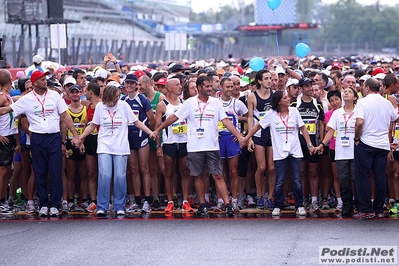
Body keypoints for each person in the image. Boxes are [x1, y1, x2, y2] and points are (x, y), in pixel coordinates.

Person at [153, 76, 244, 216]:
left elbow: (226, 121)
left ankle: (228, 204)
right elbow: (174, 117)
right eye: (207, 86)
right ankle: (202, 204)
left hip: (212, 145)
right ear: (200, 88)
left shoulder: (216, 103)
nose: (210, 89)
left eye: (210, 86)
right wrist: (158, 129)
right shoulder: (189, 103)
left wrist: (238, 136)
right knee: (198, 176)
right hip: (195, 146)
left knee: (218, 175)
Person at [0, 70, 81, 217]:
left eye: (46, 78)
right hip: (37, 138)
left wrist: (75, 135)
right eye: (43, 79)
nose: (46, 81)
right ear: (35, 82)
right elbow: (7, 109)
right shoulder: (27, 99)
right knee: (40, 171)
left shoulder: (55, 96)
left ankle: (55, 204)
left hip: (54, 137)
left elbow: (65, 116)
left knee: (56, 171)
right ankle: (43, 203)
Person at [79, 85, 154, 217]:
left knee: (120, 176)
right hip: (104, 145)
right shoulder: (100, 107)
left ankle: (119, 205)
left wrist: (150, 132)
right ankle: (102, 206)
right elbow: (92, 125)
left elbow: (136, 122)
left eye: (118, 96)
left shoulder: (124, 106)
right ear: (108, 97)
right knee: (105, 175)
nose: (117, 99)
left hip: (120, 146)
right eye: (115, 97)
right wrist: (80, 138)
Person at [242, 90, 314, 216]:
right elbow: (257, 126)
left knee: (296, 179)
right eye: (285, 97)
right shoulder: (271, 114)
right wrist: (247, 138)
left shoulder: (295, 111)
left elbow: (303, 128)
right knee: (280, 179)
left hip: (295, 150)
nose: (288, 99)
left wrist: (309, 144)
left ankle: (299, 205)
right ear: (279, 101)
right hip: (280, 151)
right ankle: (278, 205)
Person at [353, 77, 399, 219]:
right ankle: (378, 208)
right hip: (382, 144)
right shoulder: (386, 102)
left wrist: (356, 138)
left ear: (367, 88)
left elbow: (359, 122)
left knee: (363, 176)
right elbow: (394, 118)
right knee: (380, 176)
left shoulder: (362, 102)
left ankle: (366, 209)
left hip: (366, 143)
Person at [315, 87, 358, 217]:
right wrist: (322, 144)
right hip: (341, 151)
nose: (346, 93)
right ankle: (347, 205)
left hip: (357, 150)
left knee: (357, 179)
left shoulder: (360, 111)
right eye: (345, 92)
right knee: (343, 179)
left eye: (349, 92)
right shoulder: (337, 113)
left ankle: (360, 204)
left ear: (355, 97)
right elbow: (330, 131)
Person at [154, 78, 193, 213]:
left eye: (180, 84)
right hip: (169, 142)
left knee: (185, 171)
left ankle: (185, 201)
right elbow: (157, 126)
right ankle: (170, 201)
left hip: (184, 141)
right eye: (177, 85)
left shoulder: (185, 103)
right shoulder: (162, 105)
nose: (180, 87)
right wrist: (158, 145)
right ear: (169, 88)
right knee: (168, 172)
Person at [0, 70, 19, 212]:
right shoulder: (2, 97)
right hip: (3, 138)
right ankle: (1, 201)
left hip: (9, 136)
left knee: (6, 171)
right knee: (3, 171)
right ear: (11, 80)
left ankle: (4, 200)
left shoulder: (8, 96)